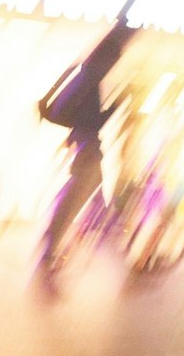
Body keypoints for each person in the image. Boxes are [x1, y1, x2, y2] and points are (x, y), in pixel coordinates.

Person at [37, 21, 135, 277]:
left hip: (88, 150)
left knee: (93, 202)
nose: (115, 63)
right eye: (114, 58)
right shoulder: (88, 80)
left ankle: (104, 248)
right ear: (106, 58)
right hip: (87, 151)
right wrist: (119, 103)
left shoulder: (88, 77)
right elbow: (89, 120)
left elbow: (84, 118)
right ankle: (50, 253)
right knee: (74, 204)